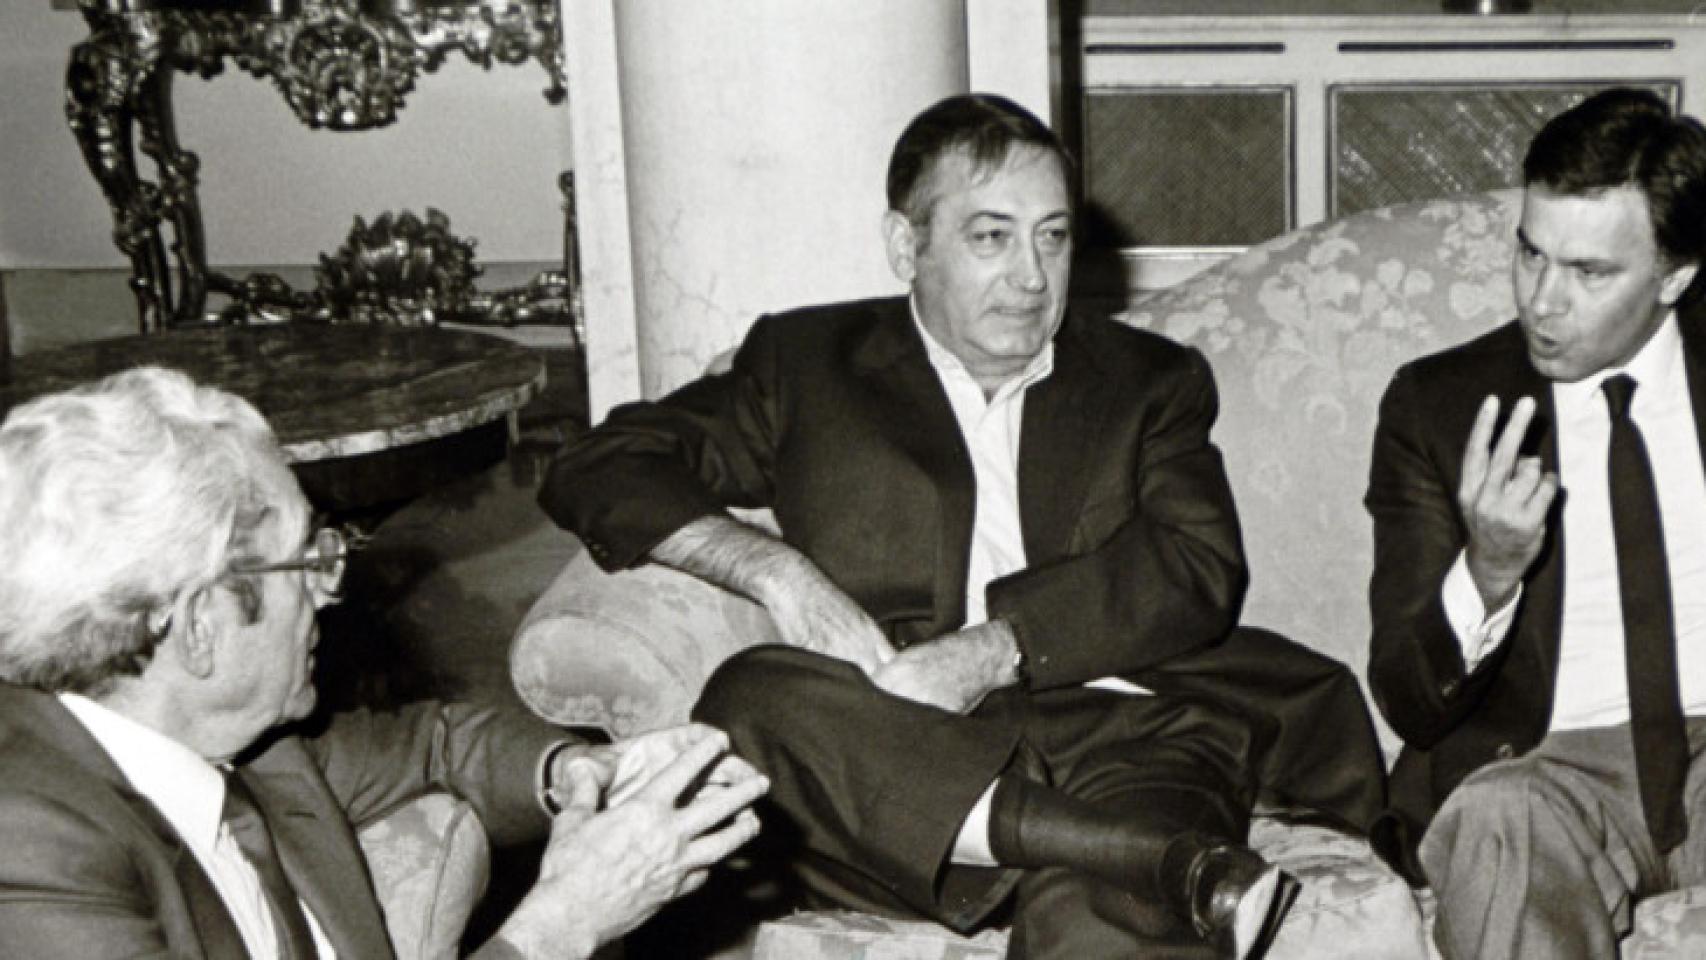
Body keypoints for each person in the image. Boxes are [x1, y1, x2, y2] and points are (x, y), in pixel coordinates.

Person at [542, 93, 1386, 959]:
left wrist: (993, 650)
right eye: (991, 237)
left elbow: (1192, 565)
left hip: (1127, 735)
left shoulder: (1147, 380)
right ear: (905, 245)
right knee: (753, 694)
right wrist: (778, 574)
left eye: (1052, 237)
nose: (1032, 276)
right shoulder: (808, 367)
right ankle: (1153, 858)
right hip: (895, 757)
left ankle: (1112, 855)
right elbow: (598, 464)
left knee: (1104, 925)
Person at [0, 365, 769, 960]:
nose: (328, 593)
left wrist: (580, 771)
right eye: (306, 563)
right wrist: (561, 925)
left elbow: (436, 745)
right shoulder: (32, 850)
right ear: (201, 623)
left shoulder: (238, 742)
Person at [1365, 87, 1706, 958]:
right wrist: (1488, 571)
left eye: (1589, 273)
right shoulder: (1438, 408)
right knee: (1497, 818)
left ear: (1674, 277)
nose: (1542, 301)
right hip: (1548, 771)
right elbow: (1407, 698)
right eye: (1530, 254)